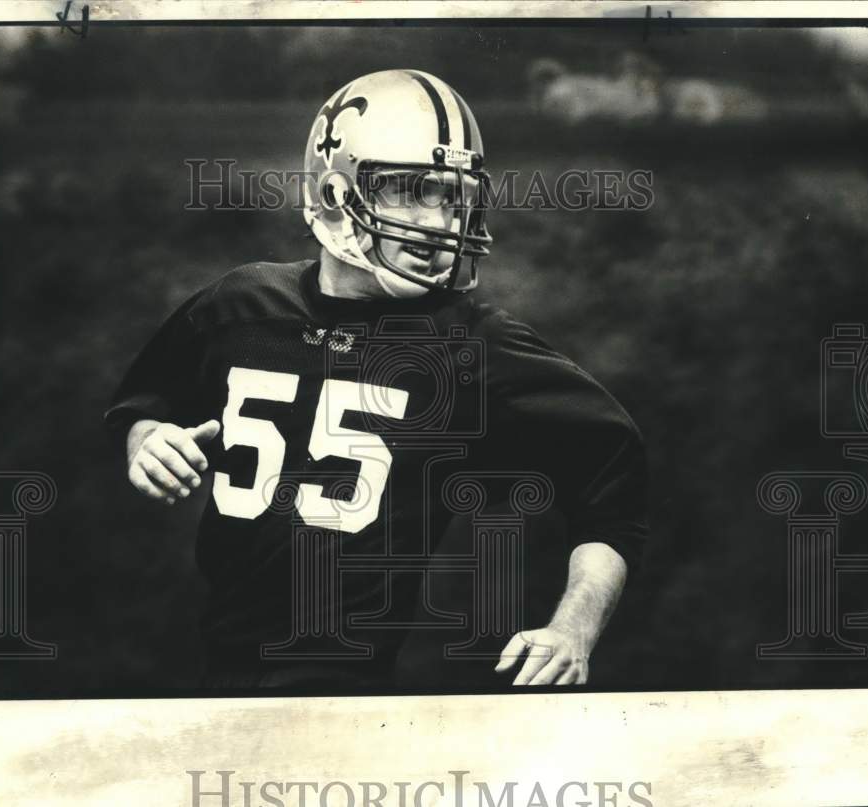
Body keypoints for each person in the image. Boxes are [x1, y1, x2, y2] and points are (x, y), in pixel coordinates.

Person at [105, 69, 648, 690]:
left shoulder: (473, 345)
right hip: (212, 675)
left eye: (453, 196)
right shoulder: (239, 303)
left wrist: (574, 627)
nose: (443, 223)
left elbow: (612, 486)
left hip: (352, 693)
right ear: (335, 194)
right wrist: (147, 441)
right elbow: (145, 405)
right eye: (411, 191)